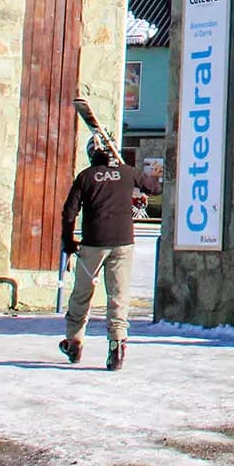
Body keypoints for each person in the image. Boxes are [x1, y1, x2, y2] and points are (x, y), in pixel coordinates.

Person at [59, 136, 162, 371]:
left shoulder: (86, 177)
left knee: (82, 293)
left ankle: (74, 341)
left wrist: (68, 241)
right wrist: (133, 182)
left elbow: (69, 211)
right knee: (118, 295)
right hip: (123, 241)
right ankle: (117, 345)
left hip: (94, 243)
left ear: (91, 154)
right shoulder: (127, 173)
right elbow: (155, 188)